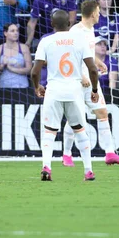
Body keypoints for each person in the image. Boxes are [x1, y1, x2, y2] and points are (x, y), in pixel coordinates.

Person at [30, 10, 99, 182]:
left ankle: (46, 166)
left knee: (49, 132)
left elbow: (34, 72)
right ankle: (88, 171)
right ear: (69, 24)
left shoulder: (46, 41)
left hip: (54, 90)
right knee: (80, 131)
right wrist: (95, 90)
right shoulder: (79, 40)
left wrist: (37, 86)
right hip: (74, 91)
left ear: (52, 25)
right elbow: (92, 69)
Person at [65, 0, 119, 166]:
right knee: (75, 118)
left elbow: (86, 53)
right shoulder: (75, 31)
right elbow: (70, 57)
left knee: (102, 113)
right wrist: (81, 76)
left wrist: (97, 61)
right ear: (93, 14)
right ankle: (66, 154)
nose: (99, 14)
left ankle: (110, 153)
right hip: (78, 81)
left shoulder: (90, 29)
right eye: (98, 12)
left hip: (92, 79)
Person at [0, 23, 32, 89]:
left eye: (17, 31)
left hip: (22, 87)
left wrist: (11, 68)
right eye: (12, 31)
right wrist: (1, 66)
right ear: (5, 33)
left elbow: (29, 70)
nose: (16, 33)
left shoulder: (24, 48)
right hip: (4, 87)